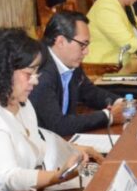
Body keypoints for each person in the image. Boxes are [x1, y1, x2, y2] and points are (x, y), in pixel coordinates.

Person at [0, 28, 97, 191]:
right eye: (29, 74)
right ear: (3, 72)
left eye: (36, 73)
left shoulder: (23, 104)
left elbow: (38, 148)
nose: (35, 81)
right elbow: (9, 178)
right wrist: (58, 176)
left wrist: (74, 152)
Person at [28, 11, 122, 139]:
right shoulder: (40, 71)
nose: (86, 51)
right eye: (82, 45)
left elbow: (89, 92)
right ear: (60, 41)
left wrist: (121, 102)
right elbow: (57, 125)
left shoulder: (69, 60)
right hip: (45, 144)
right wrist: (107, 116)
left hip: (65, 139)